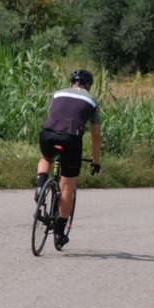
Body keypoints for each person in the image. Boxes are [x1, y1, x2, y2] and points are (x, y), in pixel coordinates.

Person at [36, 68, 102, 250]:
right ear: (88, 85)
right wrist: (96, 162)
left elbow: (53, 115)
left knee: (46, 158)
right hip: (71, 139)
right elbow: (96, 138)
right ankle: (60, 231)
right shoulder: (92, 101)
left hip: (48, 133)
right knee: (67, 185)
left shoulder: (57, 94)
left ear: (71, 82)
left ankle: (40, 188)